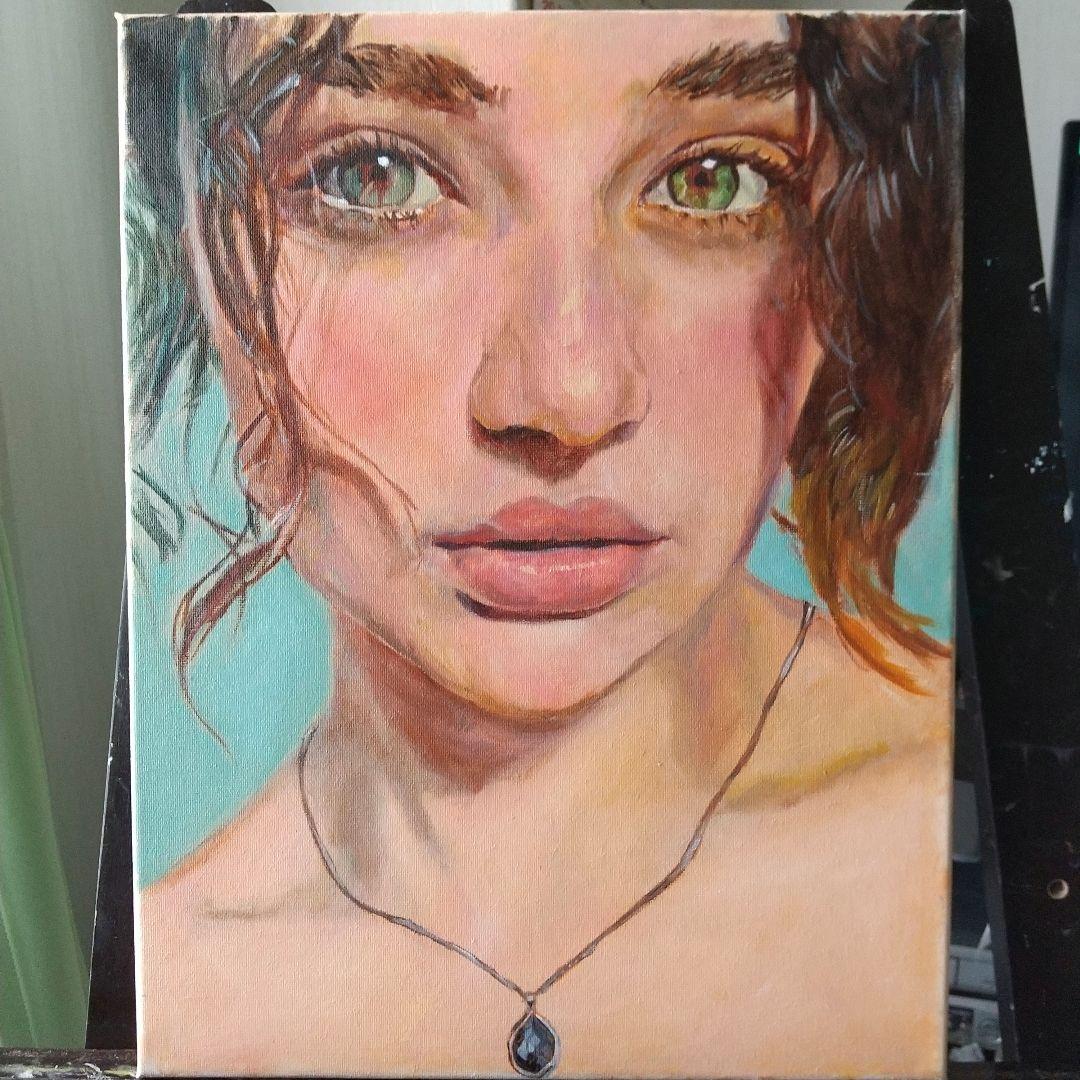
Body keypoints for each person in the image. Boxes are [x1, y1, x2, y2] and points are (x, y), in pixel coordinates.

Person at [123, 9, 962, 1077]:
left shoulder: (954, 847)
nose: (565, 397)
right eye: (374, 177)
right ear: (192, 239)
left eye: (713, 181)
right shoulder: (184, 989)